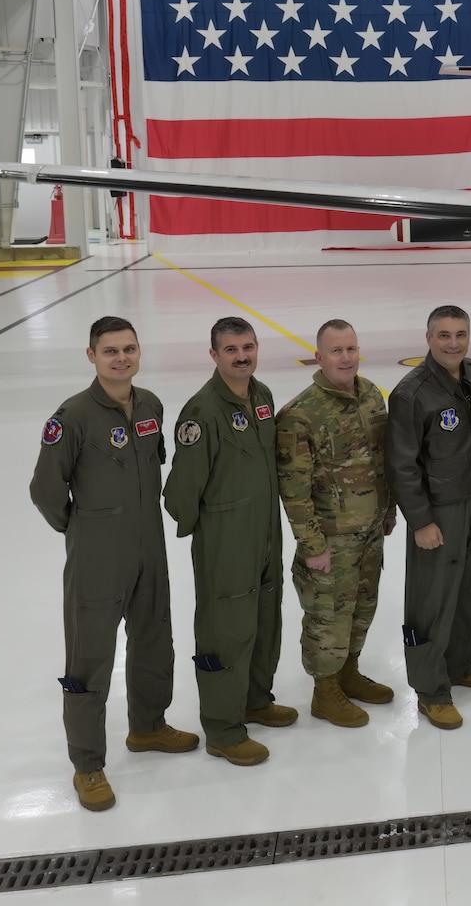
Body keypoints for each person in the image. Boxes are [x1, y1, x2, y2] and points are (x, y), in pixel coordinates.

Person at [30, 316, 197, 813]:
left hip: (150, 546)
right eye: (110, 351)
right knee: (90, 658)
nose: (121, 358)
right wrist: (82, 529)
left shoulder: (150, 405)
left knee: (153, 640)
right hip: (98, 555)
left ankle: (147, 727)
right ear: (91, 357)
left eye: (129, 349)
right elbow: (45, 490)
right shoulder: (73, 416)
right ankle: (87, 765)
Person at [164, 318, 295, 768]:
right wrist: (212, 533)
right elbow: (181, 493)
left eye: (248, 347)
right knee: (226, 629)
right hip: (226, 537)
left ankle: (255, 699)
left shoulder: (262, 396)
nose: (242, 356)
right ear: (214, 355)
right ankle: (222, 728)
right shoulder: (201, 413)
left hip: (265, 530)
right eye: (231, 349)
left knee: (264, 617)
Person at [276, 319, 397, 729]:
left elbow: (383, 462)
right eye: (336, 351)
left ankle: (348, 674)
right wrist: (313, 547)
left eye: (351, 349)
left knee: (363, 609)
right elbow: (294, 492)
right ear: (319, 356)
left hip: (369, 532)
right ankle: (325, 693)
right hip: (331, 541)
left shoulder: (372, 398)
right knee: (328, 618)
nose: (345, 358)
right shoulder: (300, 415)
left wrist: (389, 511)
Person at [387, 306, 471, 731]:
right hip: (438, 512)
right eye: (444, 335)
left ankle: (458, 666)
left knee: (469, 589)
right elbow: (401, 465)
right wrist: (421, 521)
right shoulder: (411, 393)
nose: (453, 343)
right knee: (431, 600)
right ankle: (430, 690)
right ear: (429, 338)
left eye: (460, 334)